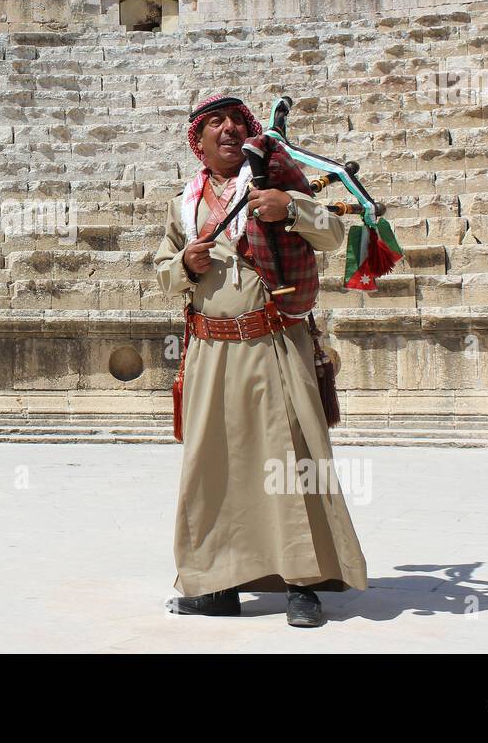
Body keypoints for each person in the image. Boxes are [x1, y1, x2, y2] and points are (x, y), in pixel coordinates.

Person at [153, 93, 368, 627]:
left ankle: (303, 584)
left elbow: (335, 232)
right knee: (214, 466)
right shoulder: (185, 201)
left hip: (274, 343)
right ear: (198, 142)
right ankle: (217, 582)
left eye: (236, 122)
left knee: (289, 460)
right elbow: (162, 270)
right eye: (215, 124)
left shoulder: (275, 181)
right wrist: (185, 261)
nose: (228, 130)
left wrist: (290, 208)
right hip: (208, 351)